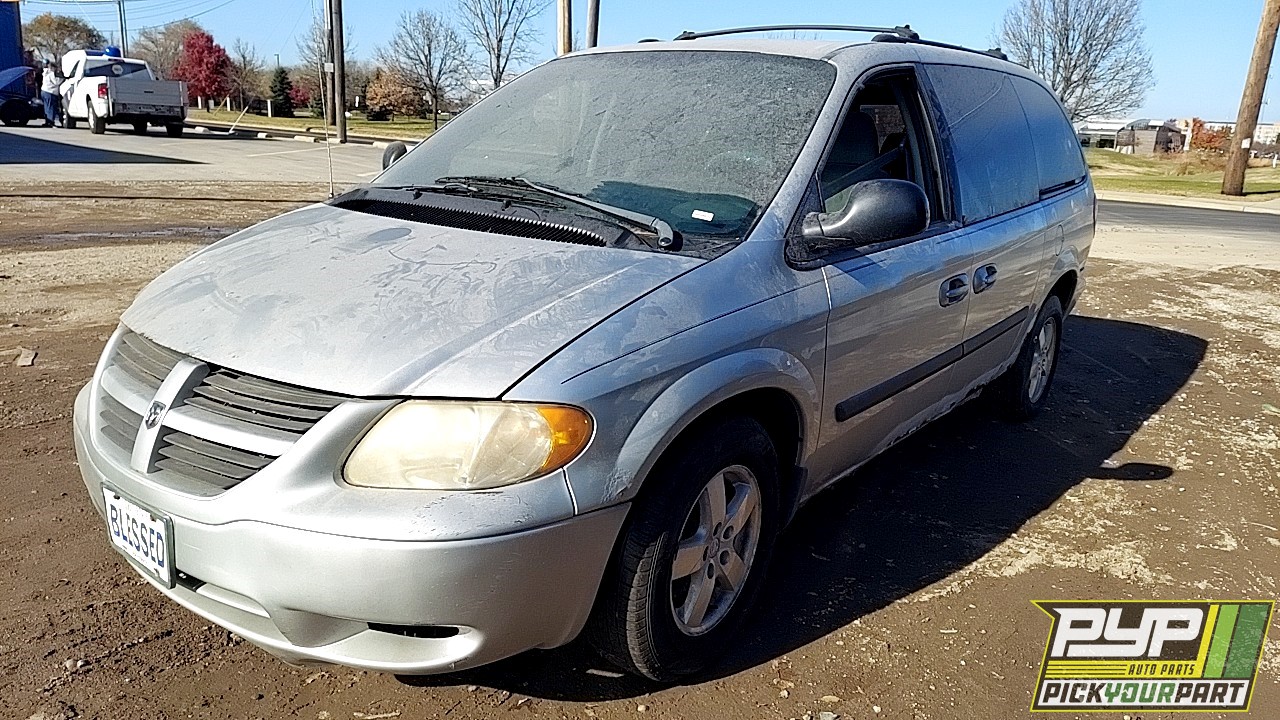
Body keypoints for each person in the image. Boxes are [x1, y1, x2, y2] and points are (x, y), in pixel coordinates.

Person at [40, 61, 62, 128]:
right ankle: (51, 122)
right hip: (50, 92)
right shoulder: (51, 73)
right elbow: (56, 82)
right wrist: (62, 79)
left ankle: (47, 122)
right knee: (51, 108)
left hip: (44, 91)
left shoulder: (45, 72)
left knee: (46, 108)